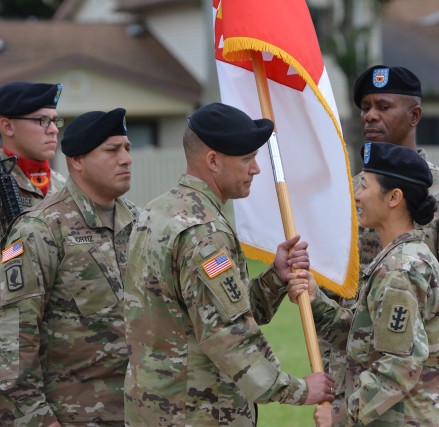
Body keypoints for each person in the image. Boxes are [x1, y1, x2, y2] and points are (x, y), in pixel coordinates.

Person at [124, 102, 336, 426]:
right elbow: (228, 334)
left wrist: (274, 279)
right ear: (213, 161)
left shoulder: (154, 212)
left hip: (155, 407)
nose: (256, 169)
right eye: (247, 159)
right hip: (198, 411)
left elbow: (204, 311)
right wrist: (298, 389)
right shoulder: (203, 231)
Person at [290, 141, 439, 426]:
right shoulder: (409, 256)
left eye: (365, 186)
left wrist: (340, 414)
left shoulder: (399, 271)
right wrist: (315, 300)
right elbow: (367, 340)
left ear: (393, 197)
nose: (357, 196)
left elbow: (399, 365)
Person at [0, 107, 137, 426]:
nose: (127, 159)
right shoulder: (40, 231)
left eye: (128, 148)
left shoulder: (141, 225)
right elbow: (10, 344)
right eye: (112, 150)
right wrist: (37, 420)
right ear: (77, 161)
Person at [0, 81, 67, 237]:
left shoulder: (63, 184)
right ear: (8, 127)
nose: (54, 130)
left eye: (54, 121)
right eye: (42, 120)